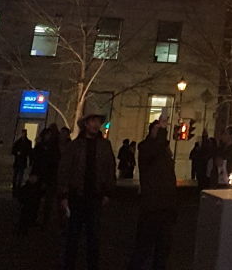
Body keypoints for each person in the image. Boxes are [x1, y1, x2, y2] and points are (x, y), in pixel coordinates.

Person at [57, 111, 116, 270]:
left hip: (95, 196)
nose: (96, 125)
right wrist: (63, 194)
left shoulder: (104, 145)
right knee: (73, 236)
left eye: (97, 122)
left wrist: (108, 192)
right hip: (77, 196)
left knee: (93, 238)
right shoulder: (75, 146)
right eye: (93, 121)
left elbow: (110, 168)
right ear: (86, 124)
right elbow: (65, 170)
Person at [128, 121, 177, 270]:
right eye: (158, 128)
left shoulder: (161, 150)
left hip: (164, 206)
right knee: (144, 248)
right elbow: (153, 151)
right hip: (152, 206)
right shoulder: (146, 147)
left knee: (162, 250)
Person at [31, 124, 61, 226]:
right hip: (42, 175)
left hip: (49, 176)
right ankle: (35, 217)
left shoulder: (53, 147)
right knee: (37, 199)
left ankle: (44, 219)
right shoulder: (42, 147)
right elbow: (35, 160)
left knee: (47, 200)